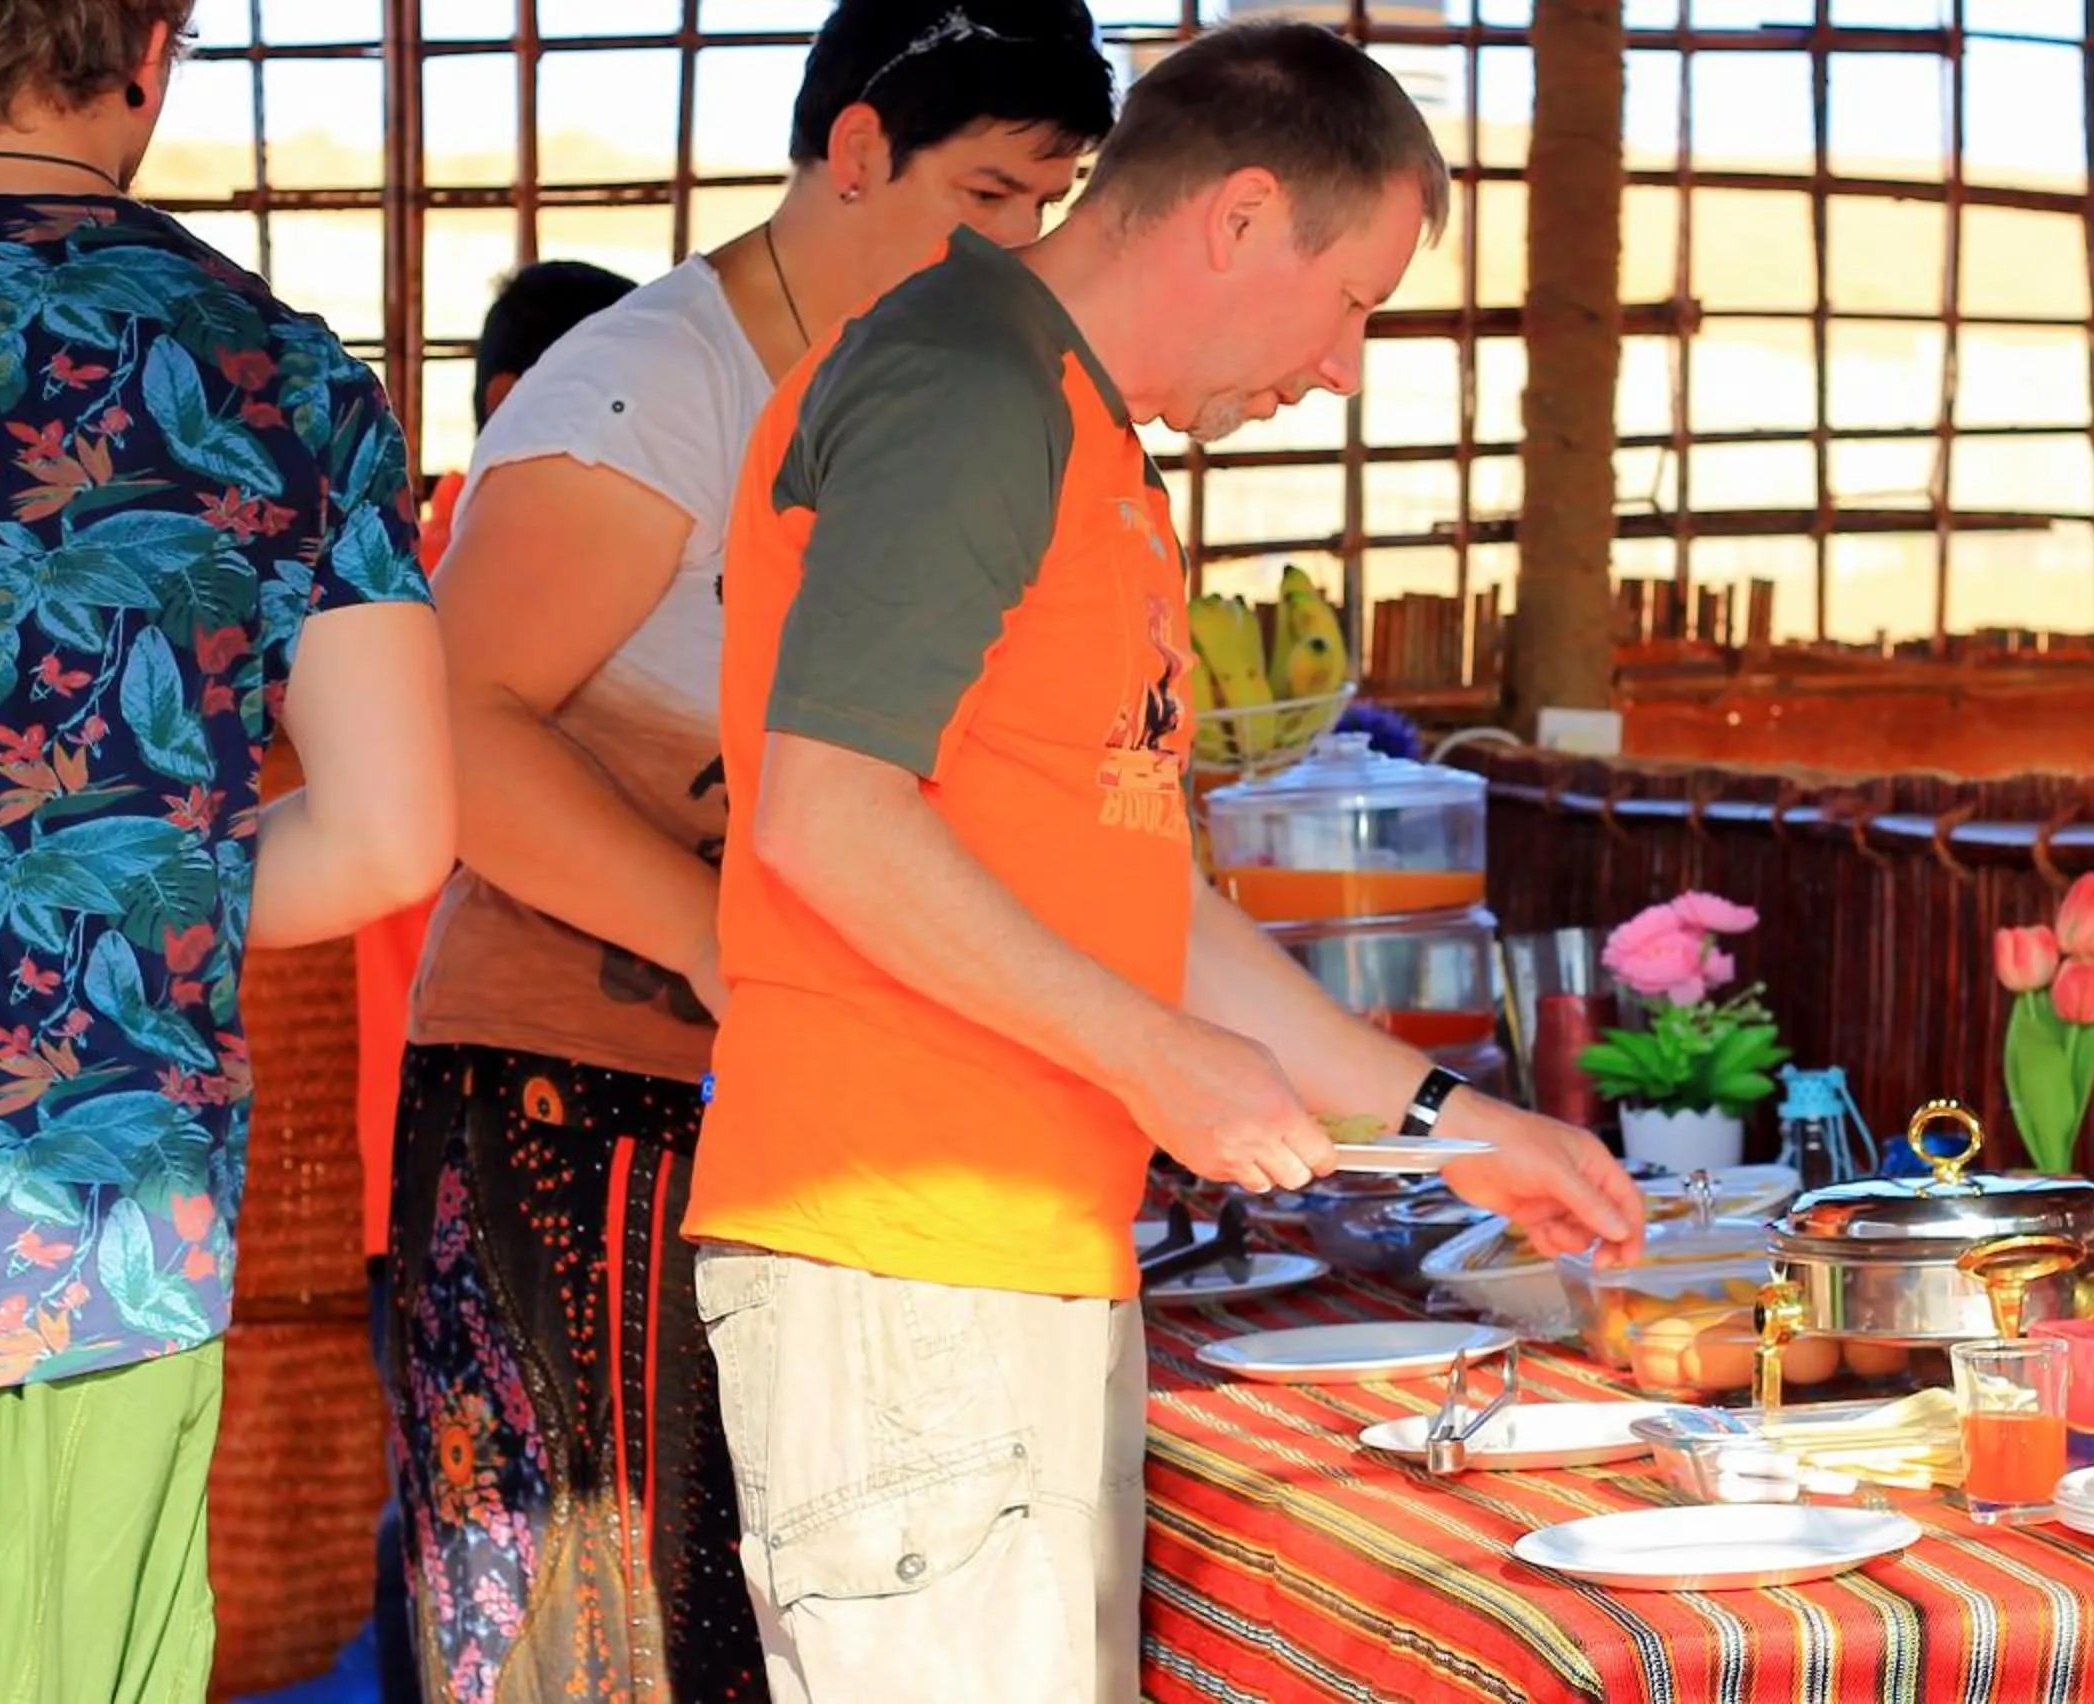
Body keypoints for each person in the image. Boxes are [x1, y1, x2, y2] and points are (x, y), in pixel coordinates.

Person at [688, 19, 1646, 1703]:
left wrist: (1452, 1125)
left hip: (1007, 1258)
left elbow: (1146, 907)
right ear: (1241, 214)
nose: (1344, 368)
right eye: (1353, 300)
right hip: (906, 1255)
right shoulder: (971, 386)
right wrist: (1152, 1060)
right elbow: (824, 808)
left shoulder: (1082, 434)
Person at [0, 2, 454, 1697]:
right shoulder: (277, 370)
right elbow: (397, 836)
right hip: (115, 1236)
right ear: (154, 49)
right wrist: (129, 883)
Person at [380, 4, 1116, 1699]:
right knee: (590, 1635)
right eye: (993, 196)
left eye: (1047, 210)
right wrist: (728, 941)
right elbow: (452, 727)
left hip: (806, 1109)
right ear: (857, 150)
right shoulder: (652, 388)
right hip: (577, 1102)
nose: (1019, 250)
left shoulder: (937, 403)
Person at [353, 256, 635, 1704]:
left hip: (398, 1135)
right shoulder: (472, 583)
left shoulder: (418, 571)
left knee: (457, 1512)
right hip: (441, 1119)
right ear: (533, 403)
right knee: (470, 1522)